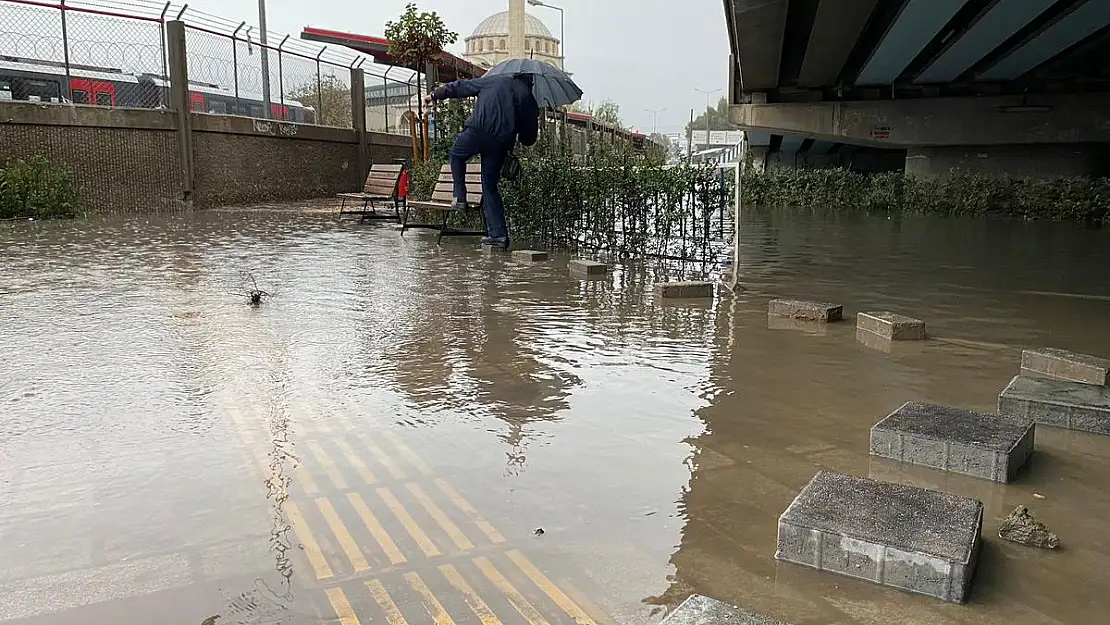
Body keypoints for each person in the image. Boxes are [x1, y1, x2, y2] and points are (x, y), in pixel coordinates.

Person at [426, 73, 539, 249]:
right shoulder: (528, 99)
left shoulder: (495, 80)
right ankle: (499, 235)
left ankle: (459, 196)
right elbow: (528, 139)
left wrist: (436, 94)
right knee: (490, 187)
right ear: (530, 83)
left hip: (477, 131)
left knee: (456, 155)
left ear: (515, 74)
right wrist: (517, 121)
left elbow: (462, 86)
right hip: (500, 143)